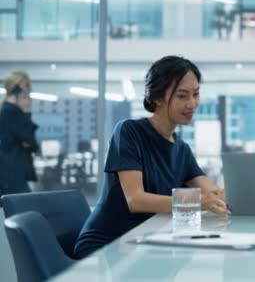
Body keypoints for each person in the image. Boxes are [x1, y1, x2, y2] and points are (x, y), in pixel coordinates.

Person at [73, 56, 229, 259]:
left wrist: (226, 196)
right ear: (157, 98)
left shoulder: (181, 149)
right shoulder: (129, 131)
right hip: (107, 246)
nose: (192, 103)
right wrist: (199, 201)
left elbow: (213, 194)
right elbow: (136, 199)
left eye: (196, 94)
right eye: (182, 96)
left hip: (145, 242)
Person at [0, 70, 39, 196]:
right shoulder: (11, 112)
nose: (28, 93)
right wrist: (27, 112)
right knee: (24, 209)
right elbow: (31, 141)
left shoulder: (9, 111)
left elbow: (29, 142)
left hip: (12, 171)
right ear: (15, 89)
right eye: (25, 88)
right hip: (12, 172)